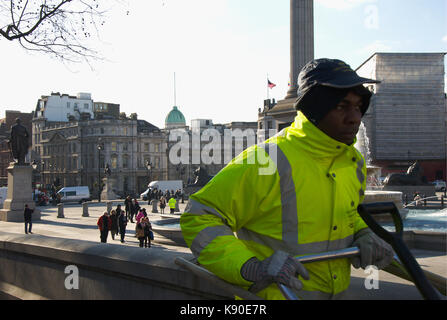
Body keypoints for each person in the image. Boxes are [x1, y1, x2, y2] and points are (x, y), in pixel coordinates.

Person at [180, 58, 394, 300]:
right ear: (316, 107)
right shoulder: (267, 160)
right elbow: (199, 216)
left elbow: (346, 212)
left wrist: (363, 233)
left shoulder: (352, 162)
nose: (355, 117)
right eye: (341, 106)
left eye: (358, 106)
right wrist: (249, 267)